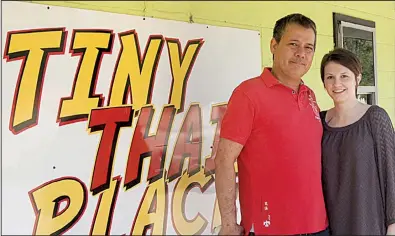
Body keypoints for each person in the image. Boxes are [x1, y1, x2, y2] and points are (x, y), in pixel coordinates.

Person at [214, 13, 329, 235]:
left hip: (318, 226)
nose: (301, 54)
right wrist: (229, 224)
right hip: (270, 227)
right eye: (293, 44)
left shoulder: (310, 96)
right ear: (274, 45)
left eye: (309, 47)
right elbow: (224, 160)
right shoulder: (248, 94)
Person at [319, 48, 395, 235]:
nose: (337, 83)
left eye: (344, 76)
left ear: (357, 78)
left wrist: (393, 225)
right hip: (330, 225)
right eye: (330, 77)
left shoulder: (375, 118)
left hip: (367, 222)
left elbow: (391, 172)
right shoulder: (319, 121)